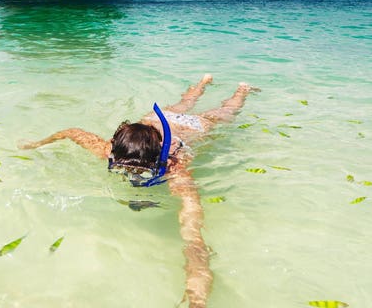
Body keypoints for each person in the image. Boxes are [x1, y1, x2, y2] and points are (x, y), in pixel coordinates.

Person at [19, 74, 256, 308]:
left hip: (191, 127)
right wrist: (36, 144)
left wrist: (197, 300)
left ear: (160, 161)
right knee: (185, 102)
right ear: (112, 151)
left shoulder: (177, 170)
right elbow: (71, 132)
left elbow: (194, 239)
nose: (132, 175)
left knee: (225, 112)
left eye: (141, 171)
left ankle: (242, 90)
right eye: (122, 168)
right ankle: (203, 82)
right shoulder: (107, 150)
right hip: (156, 122)